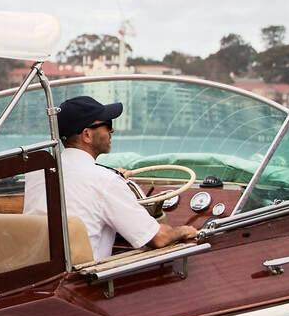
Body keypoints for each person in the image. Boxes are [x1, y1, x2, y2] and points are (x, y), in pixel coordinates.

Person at [22, 95, 202, 260]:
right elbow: (158, 239)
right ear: (87, 134)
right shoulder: (106, 181)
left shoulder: (37, 173)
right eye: (107, 124)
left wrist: (113, 178)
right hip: (86, 284)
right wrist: (185, 230)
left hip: (43, 272)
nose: (112, 131)